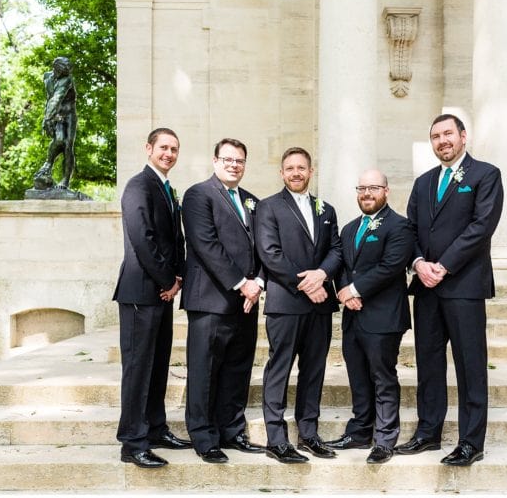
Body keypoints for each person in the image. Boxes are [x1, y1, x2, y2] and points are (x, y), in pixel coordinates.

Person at [397, 113, 503, 467]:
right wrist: (417, 263)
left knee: (470, 365)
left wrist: (443, 265)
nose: (442, 141)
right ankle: (428, 433)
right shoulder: (423, 182)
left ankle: (472, 442)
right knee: (428, 364)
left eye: (448, 134)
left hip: (464, 285)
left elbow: (481, 226)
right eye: (435, 136)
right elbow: (409, 230)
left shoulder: (485, 175)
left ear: (462, 136)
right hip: (426, 287)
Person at [254, 146, 342, 464]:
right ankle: (276, 439)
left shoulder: (326, 209)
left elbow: (336, 249)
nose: (295, 172)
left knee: (314, 370)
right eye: (289, 168)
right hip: (286, 303)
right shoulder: (267, 207)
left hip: (319, 307)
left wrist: (322, 274)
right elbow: (270, 253)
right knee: (279, 370)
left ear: (310, 171)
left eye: (301, 167)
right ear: (282, 173)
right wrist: (308, 285)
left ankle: (309, 434)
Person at [181, 138, 265, 463]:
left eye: (239, 160)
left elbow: (263, 247)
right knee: (204, 370)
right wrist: (241, 283)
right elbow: (206, 244)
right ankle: (204, 437)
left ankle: (232, 431)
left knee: (237, 370)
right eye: (227, 159)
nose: (234, 165)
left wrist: (257, 283)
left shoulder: (253, 201)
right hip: (210, 301)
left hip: (247, 302)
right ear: (215, 161)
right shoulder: (198, 195)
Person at [113, 128, 191, 468]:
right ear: (149, 148)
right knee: (138, 367)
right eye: (163, 147)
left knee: (158, 365)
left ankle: (156, 428)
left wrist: (178, 279)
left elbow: (176, 240)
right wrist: (166, 279)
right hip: (139, 293)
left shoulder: (167, 188)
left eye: (174, 149)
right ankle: (132, 442)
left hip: (161, 293)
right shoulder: (137, 186)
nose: (169, 153)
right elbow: (142, 239)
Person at [328, 169, 414, 465]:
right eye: (362, 188)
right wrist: (342, 290)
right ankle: (360, 431)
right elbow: (340, 264)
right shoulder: (350, 229)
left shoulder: (400, 227)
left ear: (386, 191)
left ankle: (385, 438)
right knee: (358, 376)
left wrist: (353, 289)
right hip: (353, 316)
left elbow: (390, 267)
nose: (366, 193)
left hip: (384, 316)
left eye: (373, 188)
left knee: (382, 377)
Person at [35, 57, 77, 190]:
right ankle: (48, 163)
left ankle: (65, 180)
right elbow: (50, 98)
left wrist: (48, 117)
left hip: (69, 114)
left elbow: (57, 97)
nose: (67, 73)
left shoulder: (67, 80)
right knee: (58, 140)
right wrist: (47, 117)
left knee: (68, 145)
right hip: (56, 113)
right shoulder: (47, 76)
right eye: (64, 71)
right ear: (57, 69)